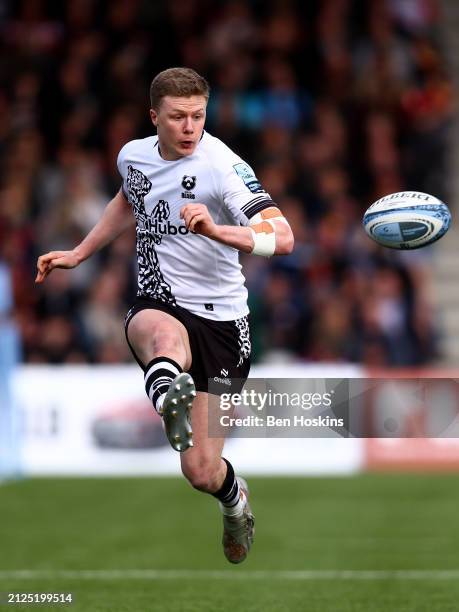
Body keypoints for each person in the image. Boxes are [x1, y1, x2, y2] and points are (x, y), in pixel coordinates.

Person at [35, 67, 294, 564]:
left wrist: (217, 230)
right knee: (160, 337)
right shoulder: (132, 156)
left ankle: (234, 497)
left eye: (198, 115)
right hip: (162, 300)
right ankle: (166, 393)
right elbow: (127, 200)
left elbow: (282, 238)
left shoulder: (222, 166)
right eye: (178, 117)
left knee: (200, 471)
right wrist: (80, 252)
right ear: (154, 117)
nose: (190, 127)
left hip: (223, 324)